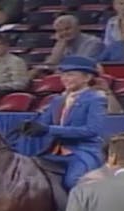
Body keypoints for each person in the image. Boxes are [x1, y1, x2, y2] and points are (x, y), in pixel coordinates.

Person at [15, 56, 106, 191]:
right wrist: (30, 127)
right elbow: (44, 123)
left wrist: (49, 129)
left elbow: (91, 130)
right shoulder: (57, 100)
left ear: (87, 78)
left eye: (70, 75)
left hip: (83, 150)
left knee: (74, 182)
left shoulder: (96, 99)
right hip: (54, 151)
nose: (65, 79)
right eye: (63, 75)